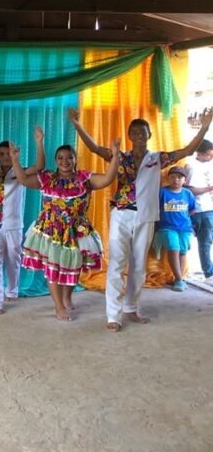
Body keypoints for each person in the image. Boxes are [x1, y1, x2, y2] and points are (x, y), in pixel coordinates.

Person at [69, 107, 212, 331]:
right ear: (129, 136)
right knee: (116, 263)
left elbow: (186, 151)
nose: (138, 135)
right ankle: (113, 316)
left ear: (149, 135)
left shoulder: (157, 158)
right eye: (134, 132)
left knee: (138, 266)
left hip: (146, 216)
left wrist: (204, 126)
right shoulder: (120, 156)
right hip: (122, 214)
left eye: (142, 132)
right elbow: (95, 148)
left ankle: (131, 307)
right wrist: (78, 125)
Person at [11, 140, 120, 321]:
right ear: (55, 161)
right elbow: (23, 179)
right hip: (51, 230)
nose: (65, 161)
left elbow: (108, 179)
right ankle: (58, 306)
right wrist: (15, 159)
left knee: (74, 265)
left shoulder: (84, 179)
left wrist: (116, 156)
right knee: (52, 267)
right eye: (60, 158)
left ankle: (67, 296)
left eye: (69, 157)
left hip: (77, 230)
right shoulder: (47, 179)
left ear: (75, 159)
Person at [0, 127, 45, 314]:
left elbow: (40, 166)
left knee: (13, 259)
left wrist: (39, 142)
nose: (5, 157)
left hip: (14, 225)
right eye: (1, 154)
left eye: (8, 153)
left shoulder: (20, 172)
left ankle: (12, 289)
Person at [154, 166, 196, 292]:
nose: (176, 180)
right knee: (173, 249)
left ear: (185, 180)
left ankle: (180, 278)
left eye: (179, 177)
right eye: (172, 177)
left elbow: (192, 210)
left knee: (183, 252)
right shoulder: (162, 192)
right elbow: (155, 208)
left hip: (184, 228)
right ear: (168, 178)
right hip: (166, 227)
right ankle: (178, 278)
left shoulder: (187, 193)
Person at [186, 138, 213, 282]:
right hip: (198, 210)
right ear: (200, 153)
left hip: (208, 208)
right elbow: (190, 190)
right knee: (204, 242)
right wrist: (209, 188)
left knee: (207, 241)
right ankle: (209, 272)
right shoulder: (191, 166)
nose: (211, 157)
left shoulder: (208, 165)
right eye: (209, 154)